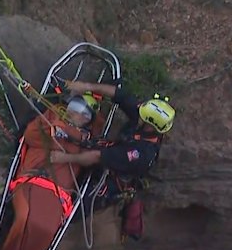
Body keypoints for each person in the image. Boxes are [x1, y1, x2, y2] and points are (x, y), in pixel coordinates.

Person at [49, 80, 175, 239]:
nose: (138, 113)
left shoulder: (141, 154)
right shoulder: (145, 118)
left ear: (150, 125)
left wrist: (64, 158)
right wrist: (86, 87)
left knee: (74, 210)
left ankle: (53, 228)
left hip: (110, 180)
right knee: (83, 144)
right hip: (111, 150)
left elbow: (97, 157)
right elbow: (120, 95)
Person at [0, 93, 100, 250]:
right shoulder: (50, 118)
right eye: (73, 107)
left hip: (57, 193)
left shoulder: (86, 141)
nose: (75, 113)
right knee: (23, 218)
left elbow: (92, 156)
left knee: (45, 229)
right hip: (31, 181)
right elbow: (31, 135)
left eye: (82, 112)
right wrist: (57, 132)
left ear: (87, 119)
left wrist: (67, 139)